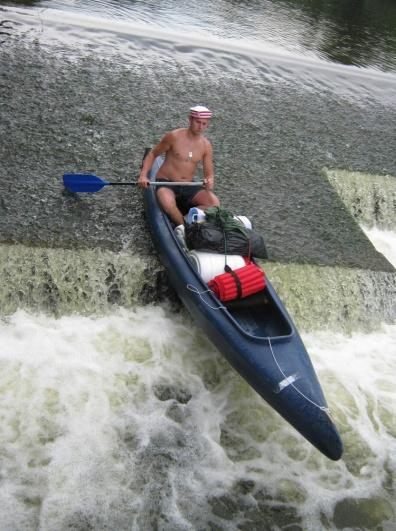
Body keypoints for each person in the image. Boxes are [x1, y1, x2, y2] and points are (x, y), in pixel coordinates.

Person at [138, 105, 220, 228]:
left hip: (188, 185)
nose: (200, 127)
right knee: (167, 202)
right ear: (190, 119)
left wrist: (209, 181)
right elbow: (153, 154)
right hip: (166, 183)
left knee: (214, 203)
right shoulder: (174, 136)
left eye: (204, 124)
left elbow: (209, 174)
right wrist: (143, 175)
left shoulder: (206, 145)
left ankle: (191, 218)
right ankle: (185, 228)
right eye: (198, 122)